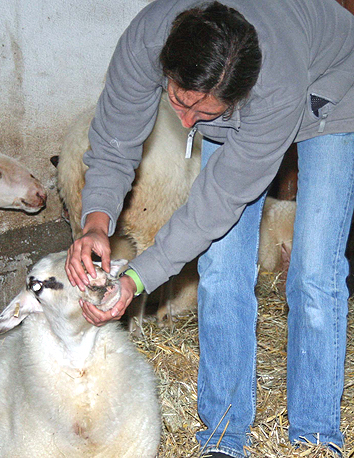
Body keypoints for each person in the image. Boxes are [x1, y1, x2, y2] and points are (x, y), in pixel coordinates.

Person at [65, 0, 354, 456]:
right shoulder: (148, 39)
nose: (183, 123)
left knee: (314, 272)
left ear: (240, 95)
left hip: (332, 88)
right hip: (251, 91)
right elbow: (117, 134)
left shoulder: (272, 86)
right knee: (221, 269)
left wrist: (138, 278)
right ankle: (224, 435)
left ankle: (315, 437)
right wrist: (95, 221)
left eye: (202, 111)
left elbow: (216, 203)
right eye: (179, 100)